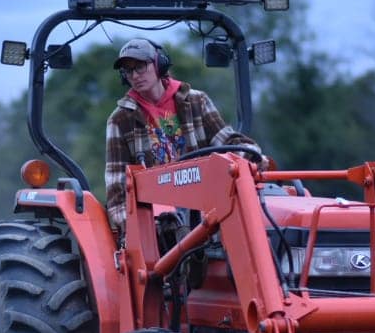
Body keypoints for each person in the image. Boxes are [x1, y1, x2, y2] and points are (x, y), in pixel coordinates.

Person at [104, 37, 266, 235]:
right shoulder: (120, 119)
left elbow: (227, 141)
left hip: (204, 204)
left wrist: (250, 156)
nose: (135, 75)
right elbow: (117, 185)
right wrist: (136, 227)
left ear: (158, 64)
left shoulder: (196, 101)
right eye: (128, 71)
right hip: (157, 217)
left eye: (140, 67)